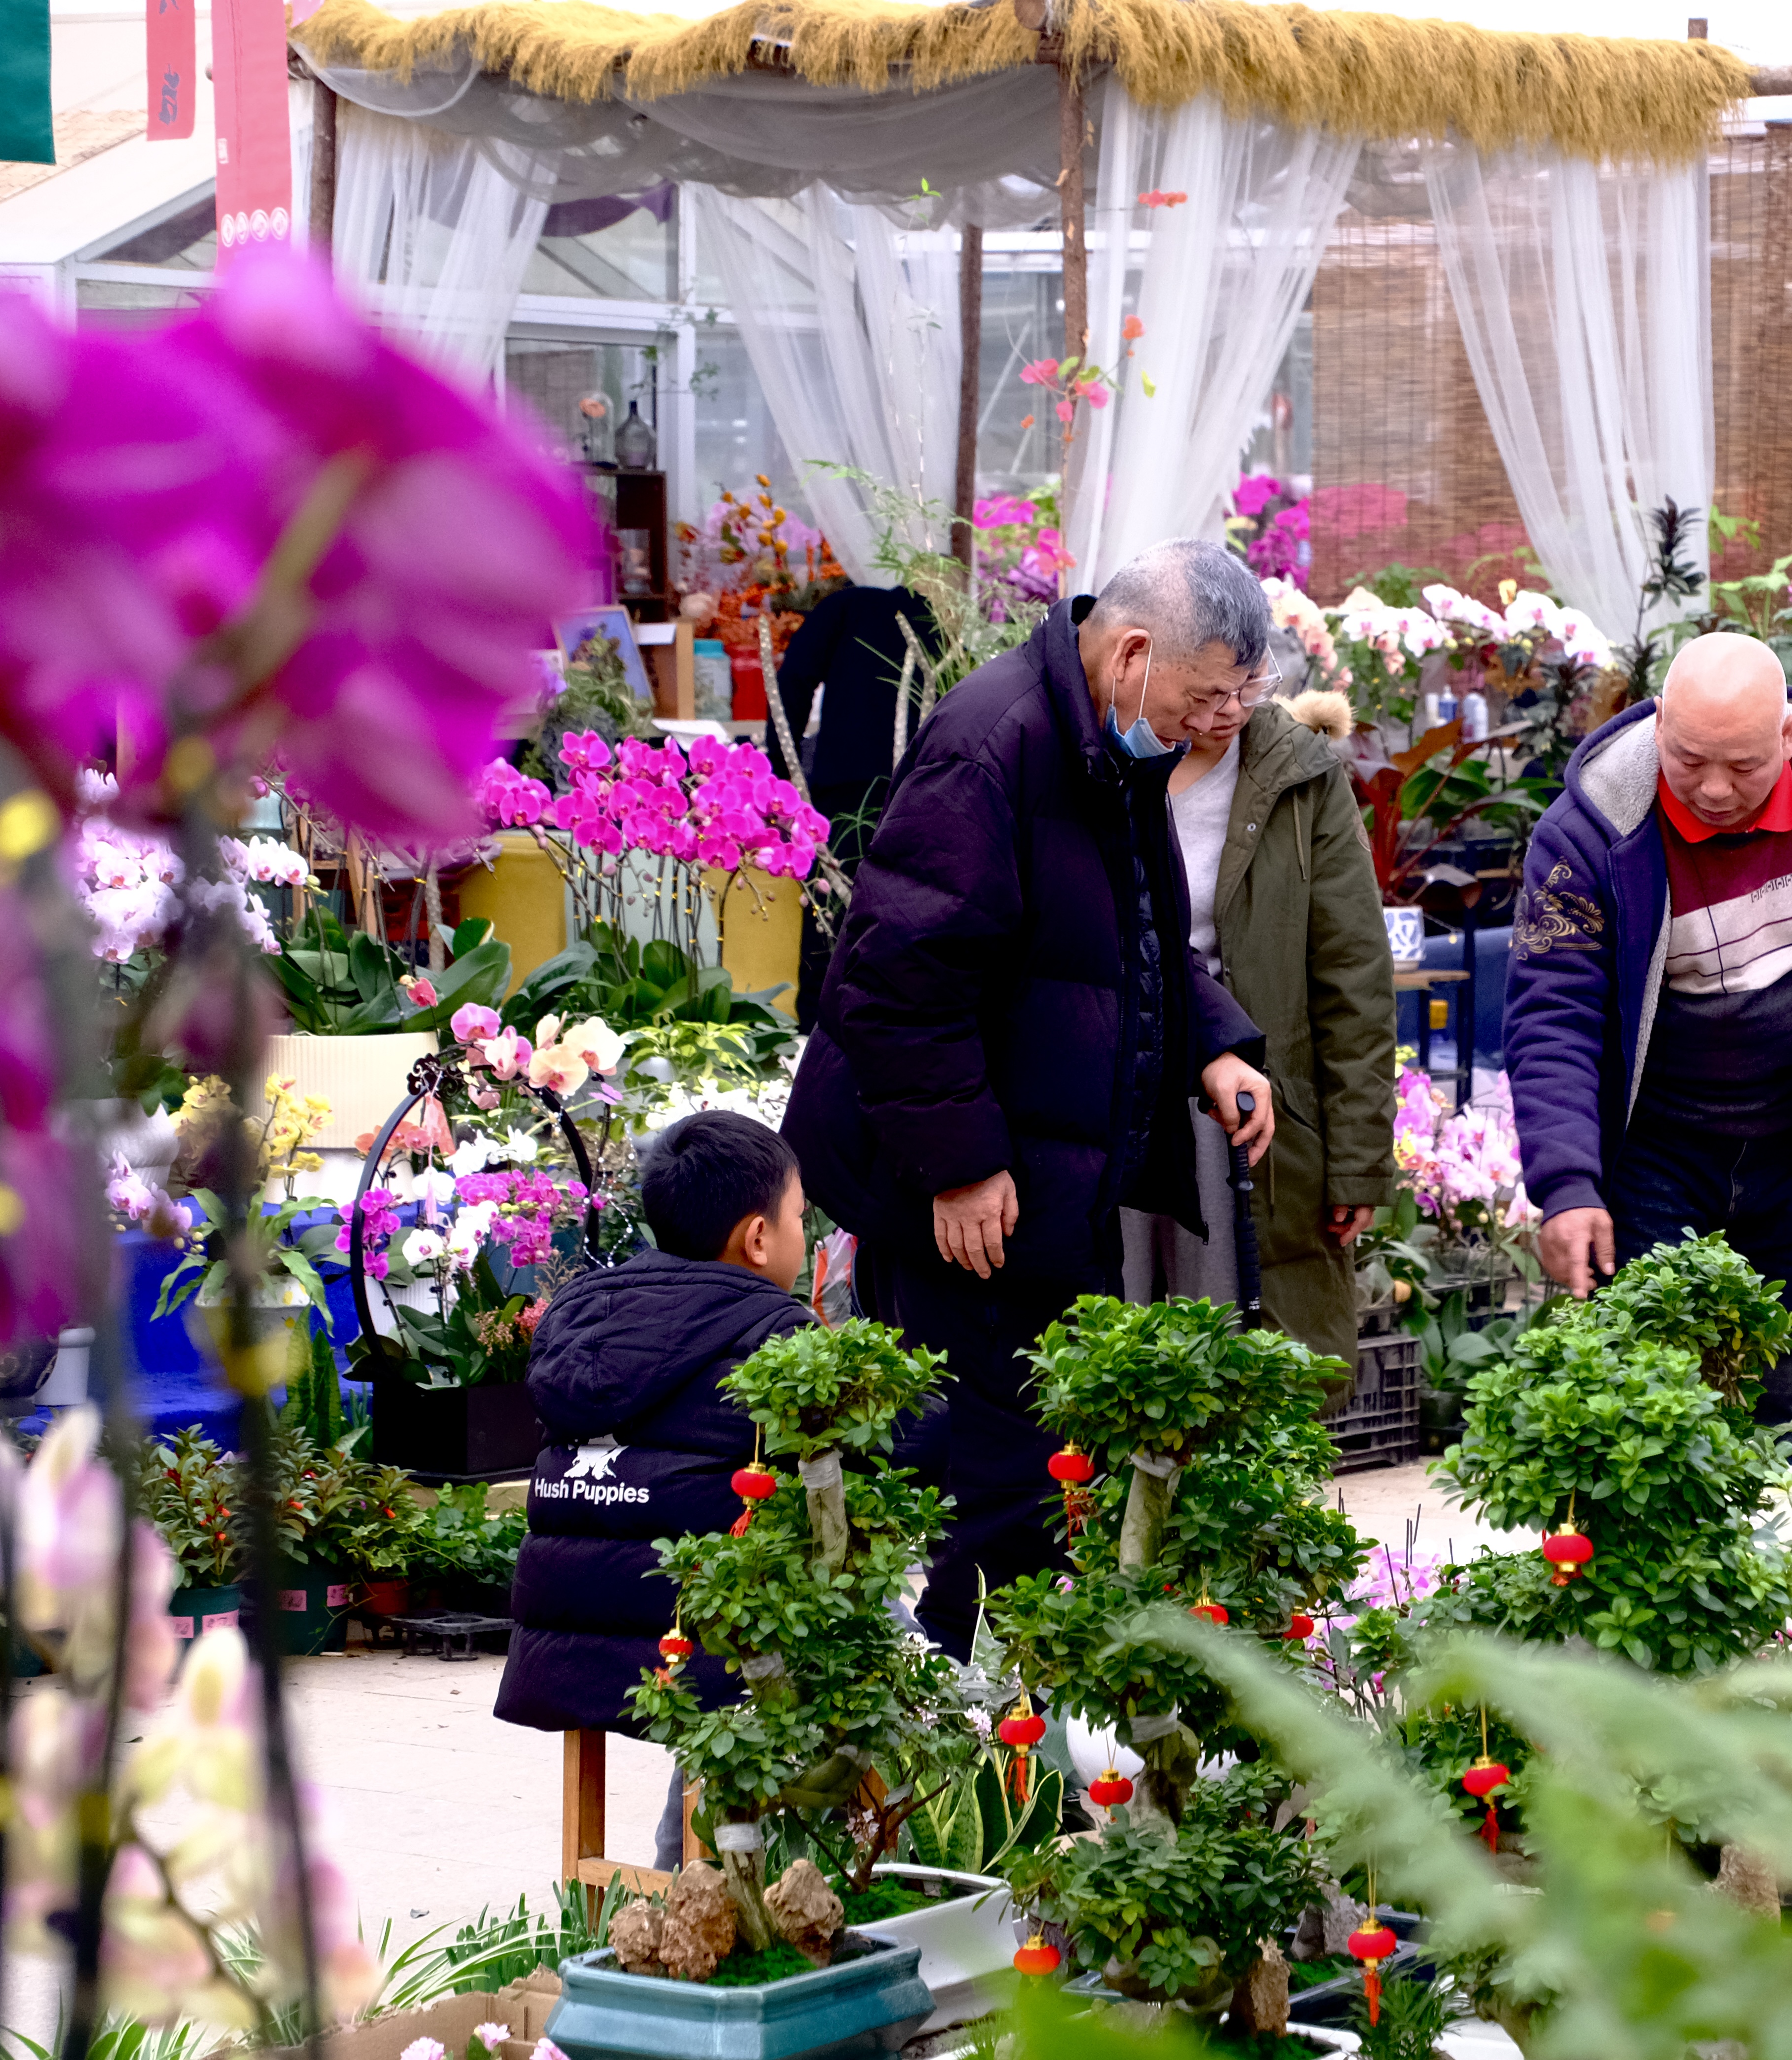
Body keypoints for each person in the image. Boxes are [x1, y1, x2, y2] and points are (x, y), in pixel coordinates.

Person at [783, 538, 1278, 1656]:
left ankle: (1000, 1717)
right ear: (1138, 651)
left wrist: (1213, 1042)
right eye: (1209, 697)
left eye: (1240, 702)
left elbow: (1137, 927)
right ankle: (967, 1745)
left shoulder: (1109, 746)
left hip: (1047, 1178)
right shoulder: (995, 741)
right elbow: (892, 977)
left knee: (1042, 1459)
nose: (1219, 724)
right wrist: (959, 1162)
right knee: (1002, 1478)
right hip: (965, 1185)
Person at [1507, 631, 1792, 1432]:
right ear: (1660, 722)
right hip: (1652, 1155)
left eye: (1743, 767)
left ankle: (1762, 1558)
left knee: (1773, 1397)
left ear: (1787, 736)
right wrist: (1565, 1186)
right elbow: (1551, 1017)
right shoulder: (1590, 832)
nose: (1712, 790)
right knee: (1648, 1411)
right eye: (1689, 759)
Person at [496, 1110, 812, 1867]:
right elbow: (904, 1444)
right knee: (850, 1629)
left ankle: (677, 1860)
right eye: (802, 1216)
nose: (809, 1235)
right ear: (758, 1238)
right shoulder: (773, 1331)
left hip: (571, 1634)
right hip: (687, 1629)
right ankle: (750, 1865)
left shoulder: (579, 1316)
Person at [1120, 679, 1394, 1391]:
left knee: (1242, 1365)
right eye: (1209, 687)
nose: (1229, 710)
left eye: (1251, 683)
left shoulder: (1299, 774)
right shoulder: (1105, 753)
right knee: (1117, 1350)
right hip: (1119, 1087)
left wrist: (1359, 1156)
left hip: (1251, 1108)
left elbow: (1354, 970)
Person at [771, 581, 949, 1030]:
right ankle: (890, 1028)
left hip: (844, 782)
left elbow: (792, 682)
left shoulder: (845, 606)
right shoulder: (939, 616)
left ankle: (813, 1031)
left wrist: (780, 770)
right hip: (919, 787)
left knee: (827, 911)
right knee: (903, 916)